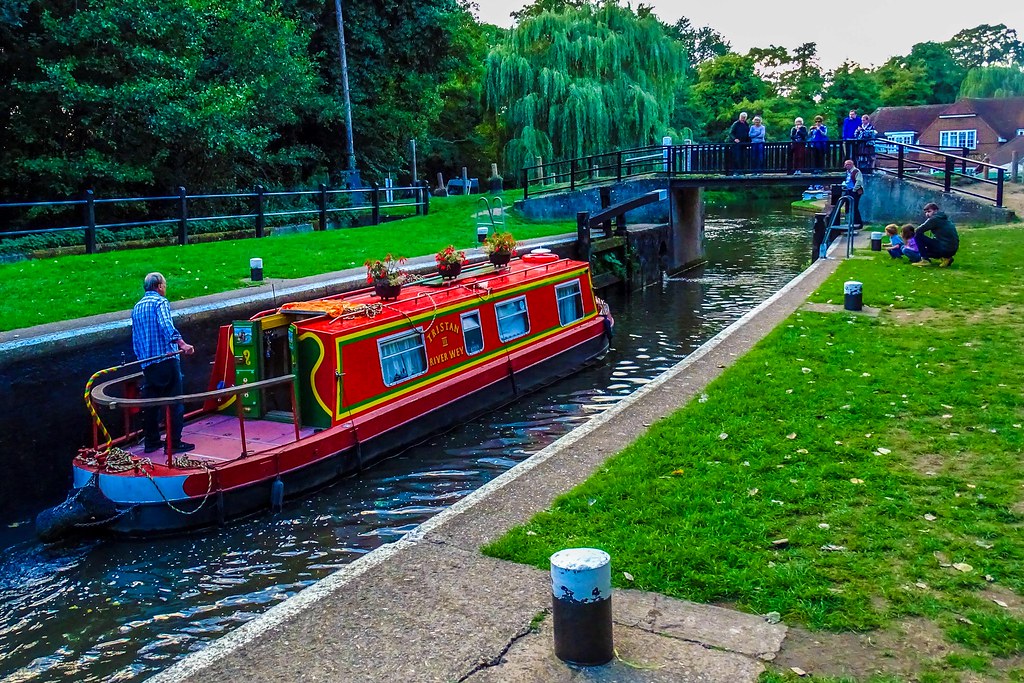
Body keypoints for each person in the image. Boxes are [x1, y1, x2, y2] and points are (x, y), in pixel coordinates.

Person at [131, 272, 196, 453]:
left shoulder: (137, 307)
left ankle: (151, 442)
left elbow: (135, 339)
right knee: (175, 401)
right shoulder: (160, 302)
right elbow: (166, 324)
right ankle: (174, 443)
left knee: (151, 404)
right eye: (164, 285)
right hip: (166, 360)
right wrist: (182, 344)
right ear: (159, 286)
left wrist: (142, 361)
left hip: (148, 363)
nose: (165, 288)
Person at [912, 203, 959, 267]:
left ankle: (925, 260)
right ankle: (947, 258)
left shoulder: (934, 219)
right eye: (925, 212)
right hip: (951, 249)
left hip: (944, 247)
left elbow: (918, 231)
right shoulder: (943, 218)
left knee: (917, 236)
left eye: (929, 211)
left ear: (936, 211)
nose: (927, 214)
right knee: (925, 250)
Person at [842, 159, 864, 228]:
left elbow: (859, 181)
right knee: (847, 205)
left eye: (848, 164)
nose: (846, 166)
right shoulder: (847, 172)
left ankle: (858, 223)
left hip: (855, 191)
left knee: (854, 207)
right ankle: (850, 221)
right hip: (848, 190)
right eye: (846, 164)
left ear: (852, 165)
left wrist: (854, 190)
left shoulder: (856, 171)